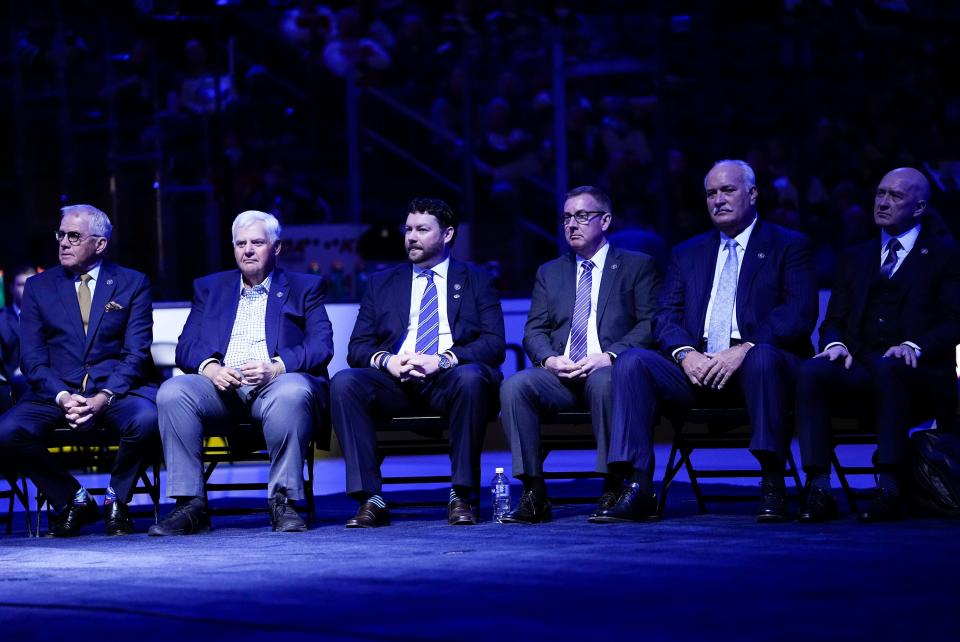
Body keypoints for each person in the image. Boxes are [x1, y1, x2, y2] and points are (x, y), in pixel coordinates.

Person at [597, 160, 818, 523]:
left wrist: (743, 349)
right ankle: (637, 485)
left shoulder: (789, 245)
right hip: (697, 370)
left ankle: (772, 481)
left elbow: (798, 311)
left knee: (761, 356)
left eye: (728, 190)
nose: (718, 199)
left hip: (761, 368)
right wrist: (686, 355)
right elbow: (665, 315)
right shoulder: (688, 252)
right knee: (633, 361)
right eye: (711, 193)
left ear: (753, 193)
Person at [150, 210, 332, 535]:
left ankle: (284, 501)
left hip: (273, 388)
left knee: (293, 390)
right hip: (222, 392)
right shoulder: (210, 288)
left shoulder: (305, 288)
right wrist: (211, 369)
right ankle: (190, 505)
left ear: (276, 248)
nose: (247, 250)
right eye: (240, 243)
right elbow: (186, 347)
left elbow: (321, 346)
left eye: (257, 242)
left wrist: (276, 367)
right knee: (173, 392)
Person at [795, 167, 960, 523]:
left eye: (895, 196)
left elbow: (953, 320)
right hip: (864, 366)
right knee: (812, 371)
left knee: (890, 368)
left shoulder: (945, 255)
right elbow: (834, 318)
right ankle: (818, 487)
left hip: (921, 373)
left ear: (918, 208)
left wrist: (914, 346)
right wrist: (835, 342)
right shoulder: (855, 256)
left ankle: (889, 484)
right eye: (880, 193)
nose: (883, 202)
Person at [330, 197, 505, 527]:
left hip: (449, 379)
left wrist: (442, 360)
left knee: (471, 378)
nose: (411, 237)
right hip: (397, 382)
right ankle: (370, 497)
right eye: (407, 229)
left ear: (447, 234)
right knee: (345, 381)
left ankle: (461, 494)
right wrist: (388, 361)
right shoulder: (383, 283)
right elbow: (358, 347)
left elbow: (494, 345)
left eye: (422, 230)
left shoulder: (476, 280)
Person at [499, 186, 659, 524]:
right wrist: (548, 360)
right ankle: (532, 492)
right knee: (515, 386)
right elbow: (534, 330)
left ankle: (614, 482)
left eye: (582, 216)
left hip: (606, 368)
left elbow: (649, 324)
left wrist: (611, 355)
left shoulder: (637, 266)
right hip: (561, 373)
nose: (572, 224)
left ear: (605, 220)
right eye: (567, 218)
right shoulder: (550, 272)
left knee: (605, 382)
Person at [0, 205, 159, 536]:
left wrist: (103, 396)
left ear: (100, 244)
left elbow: (136, 353)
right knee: (7, 430)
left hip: (114, 391)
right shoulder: (38, 287)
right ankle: (73, 498)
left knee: (146, 419)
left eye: (74, 236)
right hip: (55, 392)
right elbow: (31, 358)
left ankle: (117, 499)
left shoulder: (133, 283)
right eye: (61, 235)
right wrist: (62, 396)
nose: (63, 243)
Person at [0, 266, 37, 411]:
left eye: (32, 284)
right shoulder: (1, 319)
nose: (27, 289)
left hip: (45, 382)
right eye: (22, 285)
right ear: (11, 288)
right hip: (9, 384)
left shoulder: (52, 318)